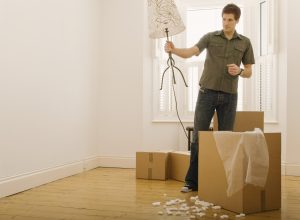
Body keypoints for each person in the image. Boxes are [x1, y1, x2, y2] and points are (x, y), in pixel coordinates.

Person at [164, 3, 255, 193]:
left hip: (230, 96)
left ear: (237, 20)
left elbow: (248, 72)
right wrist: (173, 49)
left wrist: (239, 71)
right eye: (224, 19)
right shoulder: (210, 37)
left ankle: (224, 180)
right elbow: (190, 53)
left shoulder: (244, 42)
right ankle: (192, 182)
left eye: (230, 20)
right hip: (207, 93)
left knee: (227, 138)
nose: (226, 23)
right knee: (198, 137)